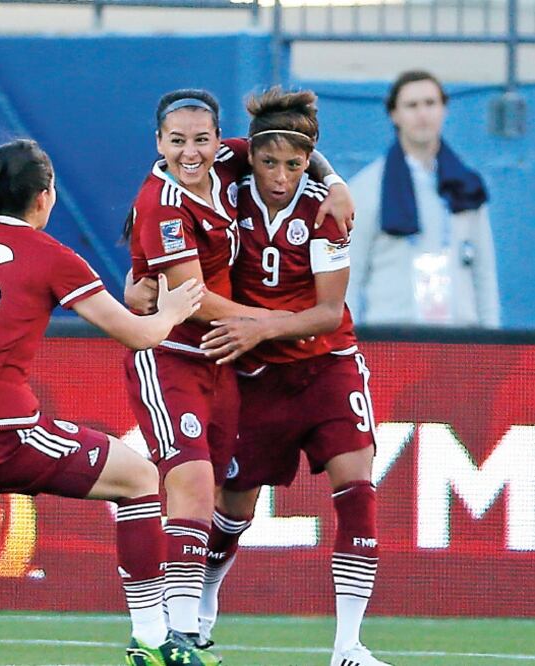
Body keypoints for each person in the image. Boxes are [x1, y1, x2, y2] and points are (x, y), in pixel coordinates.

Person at [0, 113, 212, 666]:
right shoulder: (50, 255)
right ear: (45, 196)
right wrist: (169, 312)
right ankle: (151, 638)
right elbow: (137, 336)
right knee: (140, 477)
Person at [120, 88, 355, 653]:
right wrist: (277, 322)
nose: (192, 152)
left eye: (201, 139)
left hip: (224, 362)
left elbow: (295, 149)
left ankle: (184, 624)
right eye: (177, 142)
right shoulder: (161, 205)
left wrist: (338, 183)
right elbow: (192, 298)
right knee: (193, 482)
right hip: (171, 354)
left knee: (225, 497)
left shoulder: (231, 158)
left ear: (220, 140)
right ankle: (167, 632)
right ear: (159, 143)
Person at [193, 87, 390, 666]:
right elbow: (180, 165)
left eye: (295, 164)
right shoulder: (225, 182)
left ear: (309, 163)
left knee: (357, 489)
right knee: (233, 508)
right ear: (249, 154)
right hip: (255, 374)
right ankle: (204, 609)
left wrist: (257, 325)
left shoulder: (324, 211)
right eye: (269, 161)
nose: (280, 175)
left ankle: (348, 645)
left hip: (327, 364)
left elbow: (330, 312)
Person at [347, 70, 500, 328]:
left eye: (430, 103)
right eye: (411, 105)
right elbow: (351, 275)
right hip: (392, 337)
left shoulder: (466, 185)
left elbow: (484, 272)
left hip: (461, 339)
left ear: (444, 110)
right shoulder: (366, 187)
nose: (422, 114)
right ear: (394, 114)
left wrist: (492, 338)